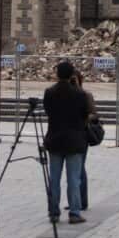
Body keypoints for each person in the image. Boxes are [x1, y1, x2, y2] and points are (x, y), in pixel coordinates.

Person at [43, 60, 89, 224]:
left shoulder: (49, 92)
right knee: (73, 179)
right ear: (72, 75)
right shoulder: (80, 94)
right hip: (75, 141)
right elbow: (86, 115)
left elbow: (48, 111)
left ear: (57, 74)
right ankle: (75, 213)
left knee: (54, 179)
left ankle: (54, 212)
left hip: (55, 140)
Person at [71, 70, 98, 213]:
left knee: (79, 168)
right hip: (70, 135)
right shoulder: (67, 96)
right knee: (73, 170)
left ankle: (82, 200)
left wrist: (84, 118)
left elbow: (94, 115)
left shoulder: (86, 95)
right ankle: (75, 200)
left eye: (74, 80)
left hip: (82, 135)